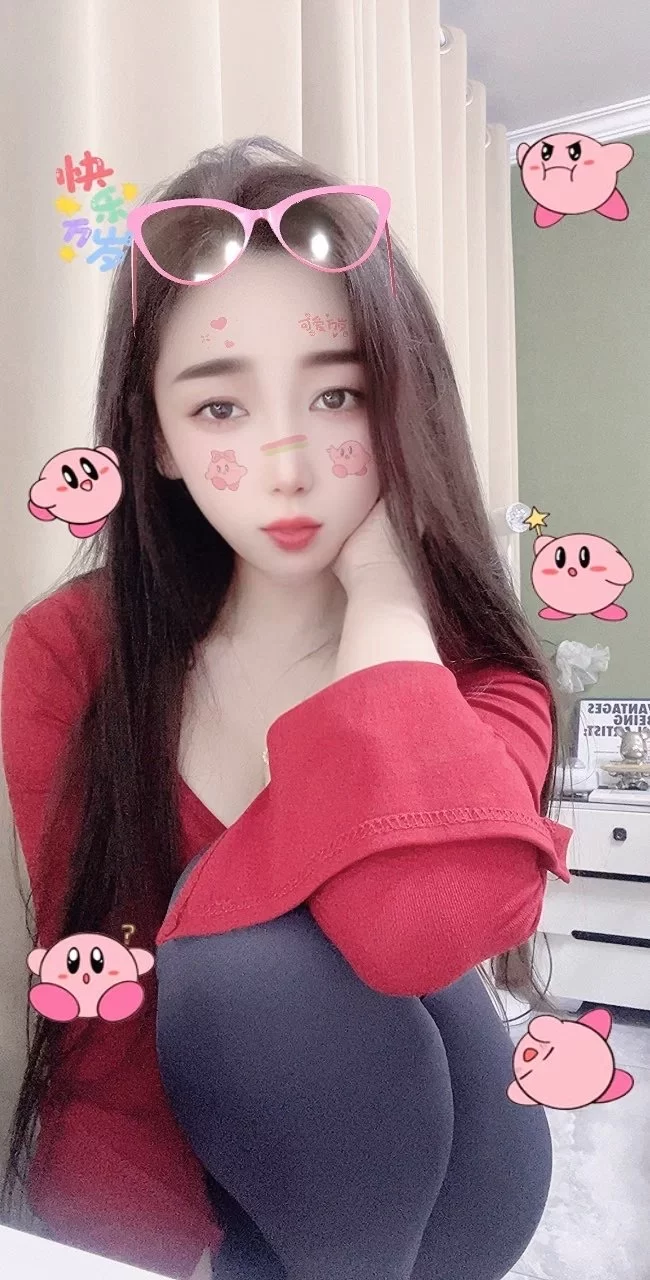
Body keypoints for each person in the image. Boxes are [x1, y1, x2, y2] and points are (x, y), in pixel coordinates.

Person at [0, 135, 571, 1280]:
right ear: (157, 439)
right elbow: (101, 1007)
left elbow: (418, 927)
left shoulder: (474, 674)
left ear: (401, 404)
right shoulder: (73, 653)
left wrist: (387, 608)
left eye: (337, 394)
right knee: (230, 962)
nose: (287, 462)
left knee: (259, 955)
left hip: (446, 1161)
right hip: (206, 1165)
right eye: (219, 406)